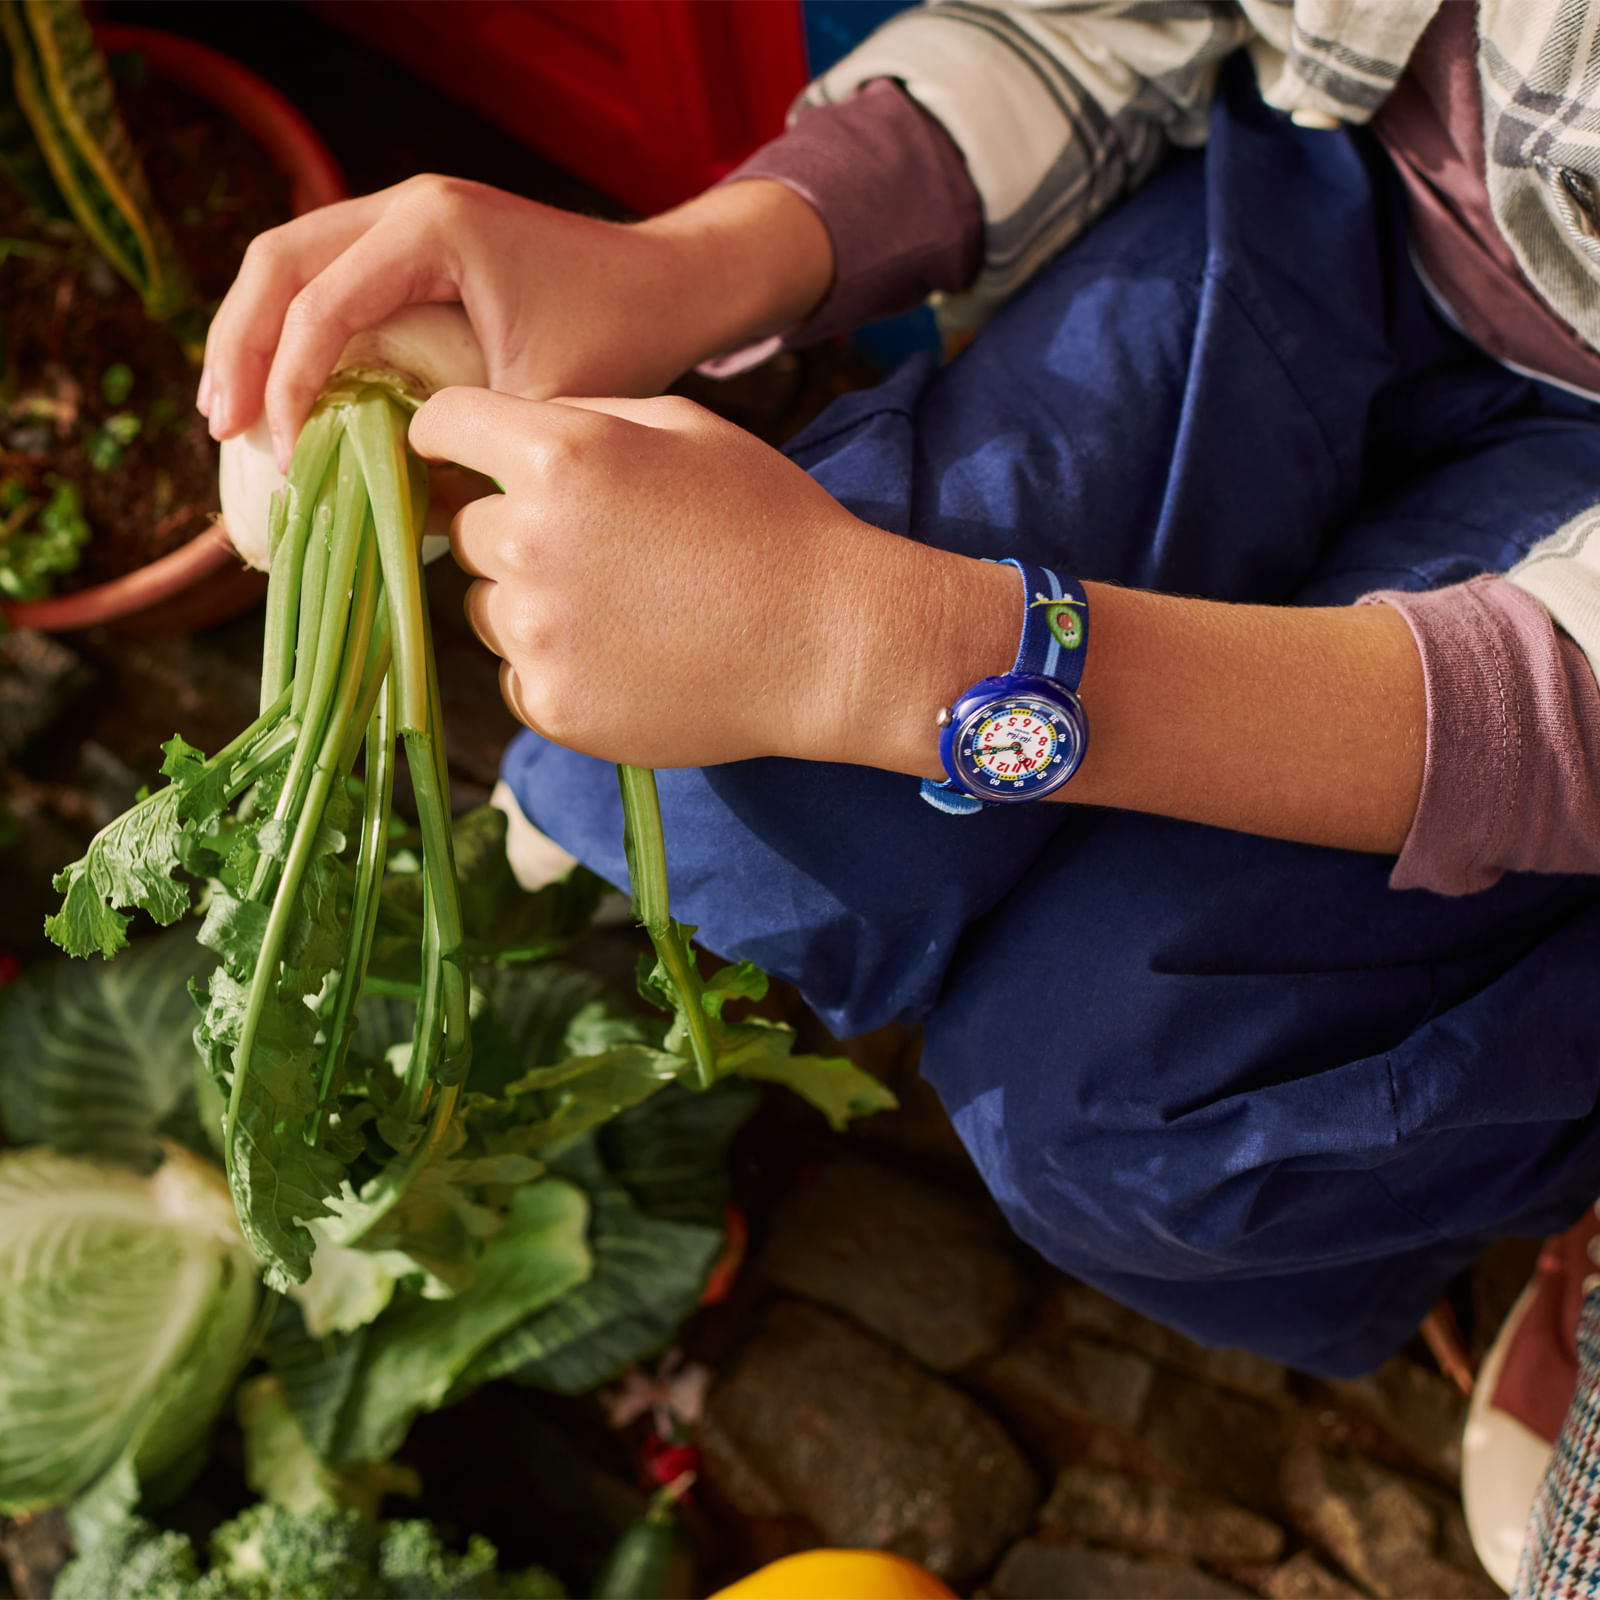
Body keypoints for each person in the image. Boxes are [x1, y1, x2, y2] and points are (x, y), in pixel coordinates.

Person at [200, 0, 1600, 1401]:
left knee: (1122, 1121)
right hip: (1337, 179)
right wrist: (680, 266)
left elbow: (1556, 712)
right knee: (723, 815)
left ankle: (1522, 1171)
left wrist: (880, 647)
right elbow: (1097, 23)